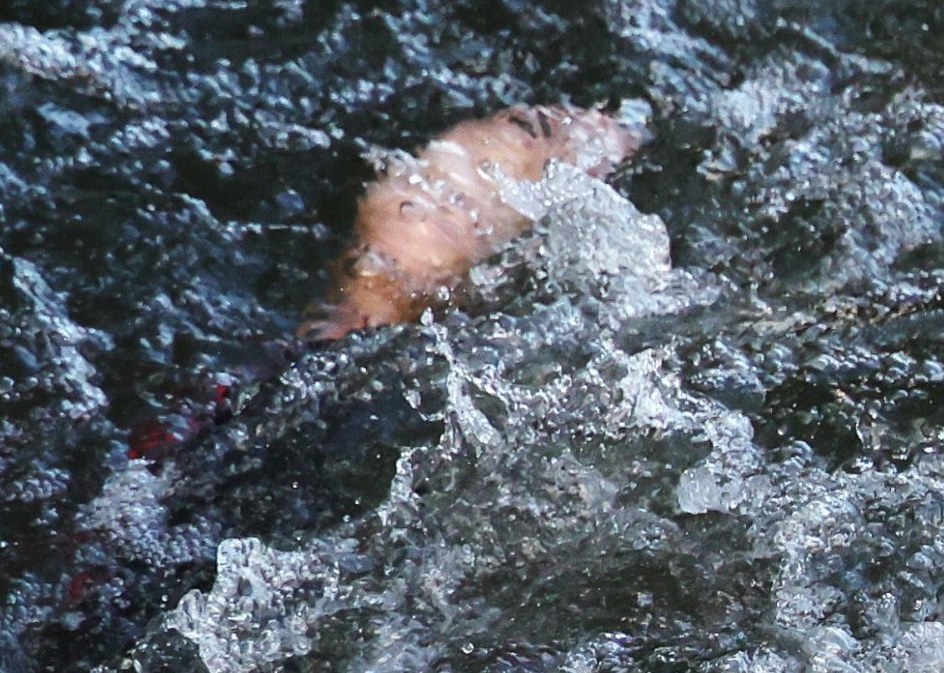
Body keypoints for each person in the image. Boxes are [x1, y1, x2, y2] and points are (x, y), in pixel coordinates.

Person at [128, 103, 648, 465]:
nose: (441, 202)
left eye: (472, 205)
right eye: (428, 175)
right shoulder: (233, 369)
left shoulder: (243, 361)